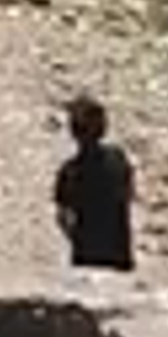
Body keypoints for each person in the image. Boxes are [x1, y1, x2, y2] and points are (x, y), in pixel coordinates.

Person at [52, 92, 138, 272]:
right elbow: (129, 194)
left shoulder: (69, 172)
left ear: (73, 132)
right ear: (104, 128)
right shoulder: (119, 159)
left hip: (86, 258)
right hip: (119, 257)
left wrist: (80, 237)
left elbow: (63, 218)